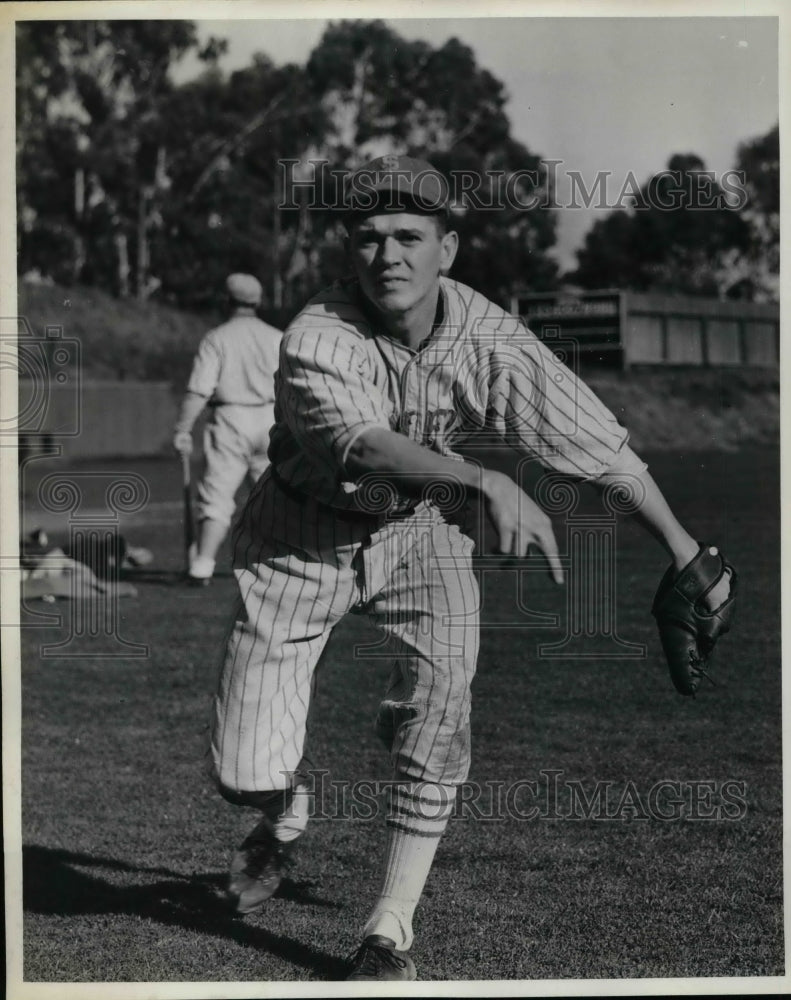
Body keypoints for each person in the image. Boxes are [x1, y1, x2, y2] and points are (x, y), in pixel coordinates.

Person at [209, 156, 731, 981]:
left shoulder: (487, 333)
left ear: (446, 249)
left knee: (441, 715)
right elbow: (361, 447)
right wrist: (482, 480)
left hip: (422, 532)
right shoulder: (316, 334)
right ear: (350, 251)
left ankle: (387, 933)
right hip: (299, 537)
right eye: (369, 237)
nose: (388, 255)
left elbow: (592, 442)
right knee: (242, 772)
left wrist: (683, 549)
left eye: (408, 236)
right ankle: (280, 810)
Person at [173, 273, 282, 584]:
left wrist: (183, 428)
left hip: (231, 419)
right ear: (258, 301)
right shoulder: (278, 336)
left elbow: (199, 390)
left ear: (226, 300)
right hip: (271, 418)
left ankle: (202, 566)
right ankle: (278, 565)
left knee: (217, 495)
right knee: (273, 497)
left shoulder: (217, 338)